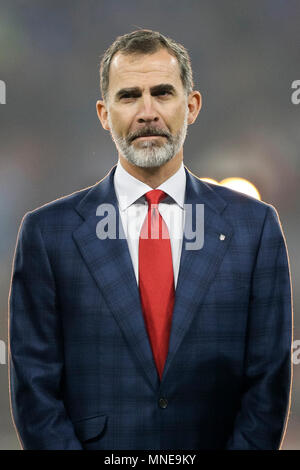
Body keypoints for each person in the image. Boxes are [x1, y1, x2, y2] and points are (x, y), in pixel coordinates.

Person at [8, 29, 293, 450]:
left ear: (191, 106)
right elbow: (35, 391)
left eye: (162, 93)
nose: (147, 112)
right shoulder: (47, 234)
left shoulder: (255, 227)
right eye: (128, 96)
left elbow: (268, 385)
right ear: (104, 114)